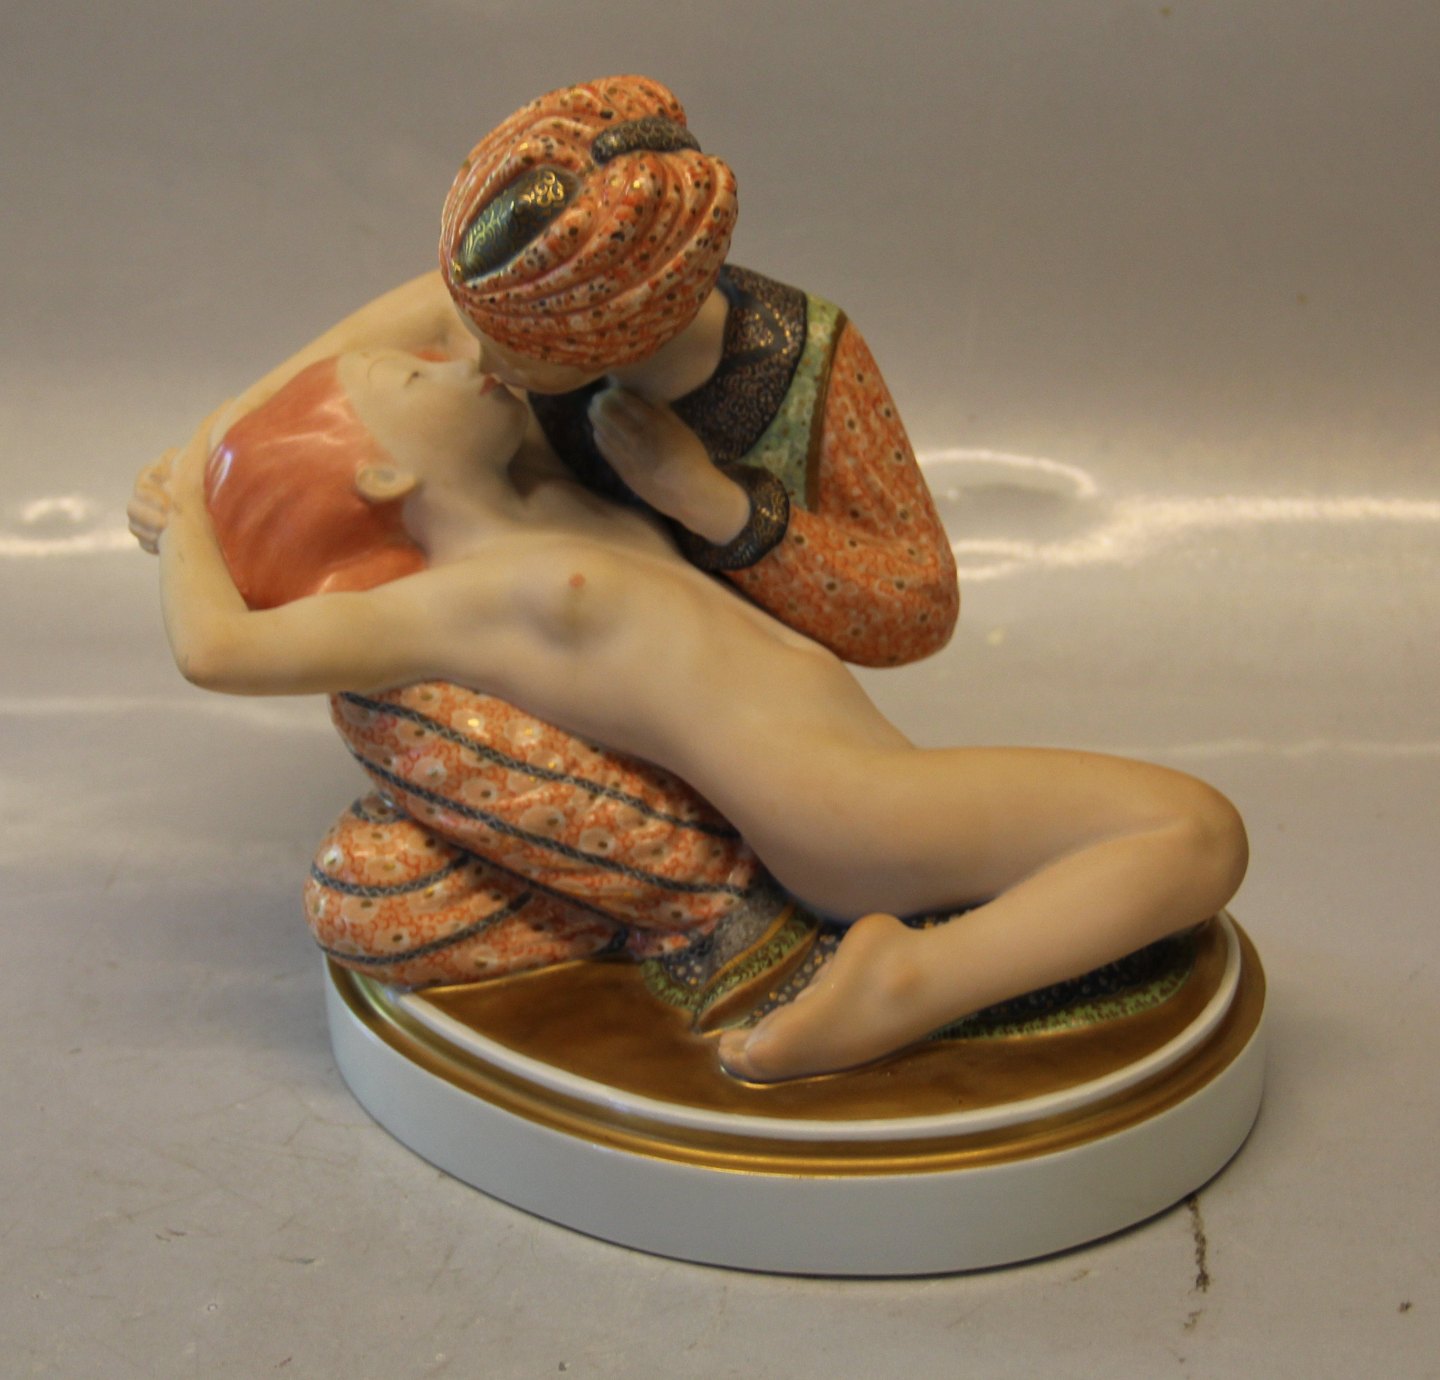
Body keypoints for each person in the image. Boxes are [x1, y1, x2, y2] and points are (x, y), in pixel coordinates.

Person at [142, 345, 1248, 1083]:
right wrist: (191, 499)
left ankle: (910, 968)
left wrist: (223, 423)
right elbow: (218, 650)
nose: (454, 357)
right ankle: (911, 985)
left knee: (1167, 835)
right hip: (838, 809)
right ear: (383, 478)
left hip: (872, 780)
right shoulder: (448, 604)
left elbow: (442, 292)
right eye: (412, 376)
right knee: (1195, 832)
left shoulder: (552, 488)